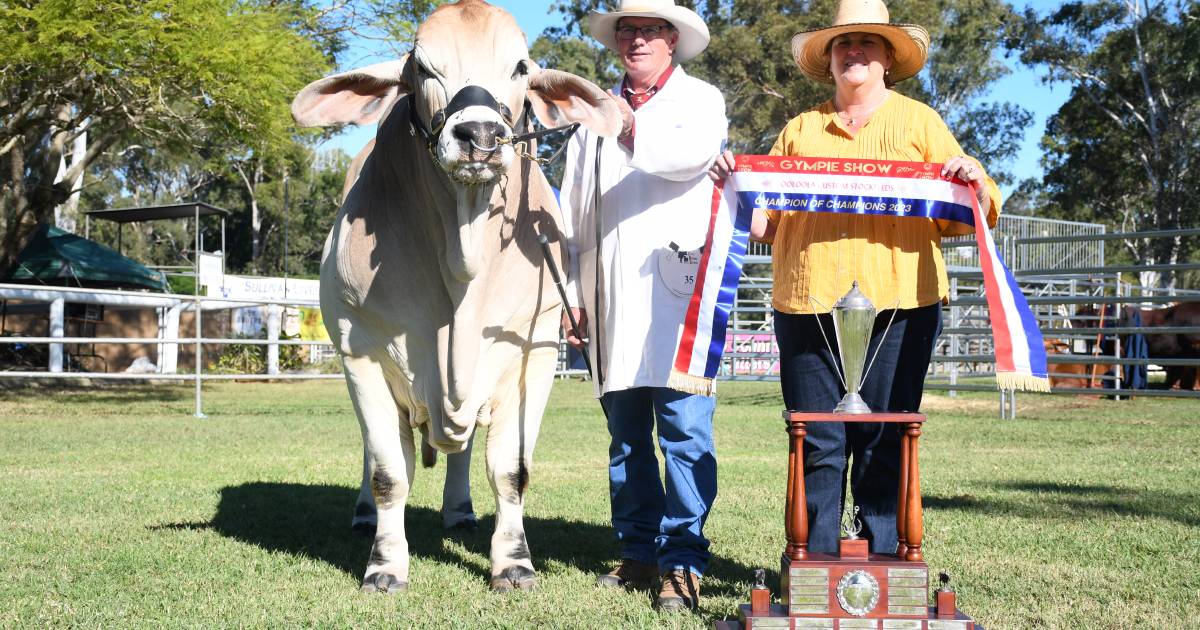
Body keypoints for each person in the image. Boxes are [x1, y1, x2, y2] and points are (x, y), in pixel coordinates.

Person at [710, 0, 1001, 555]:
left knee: (884, 436)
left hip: (901, 302)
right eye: (843, 43)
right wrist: (732, 185)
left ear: (889, 58)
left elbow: (970, 210)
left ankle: (885, 565)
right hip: (807, 302)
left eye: (867, 42)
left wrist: (972, 179)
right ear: (830, 60)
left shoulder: (921, 123)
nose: (854, 51)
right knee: (815, 438)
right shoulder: (800, 128)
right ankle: (814, 564)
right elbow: (764, 225)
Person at [557, 0, 727, 613]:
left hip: (679, 290)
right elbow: (574, 210)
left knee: (684, 431)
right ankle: (636, 551)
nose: (636, 39)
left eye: (650, 30)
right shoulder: (588, 116)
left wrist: (624, 124)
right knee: (625, 436)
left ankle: (682, 560)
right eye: (627, 30)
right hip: (607, 296)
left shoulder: (701, 100)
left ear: (673, 40)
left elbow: (690, 156)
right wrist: (572, 297)